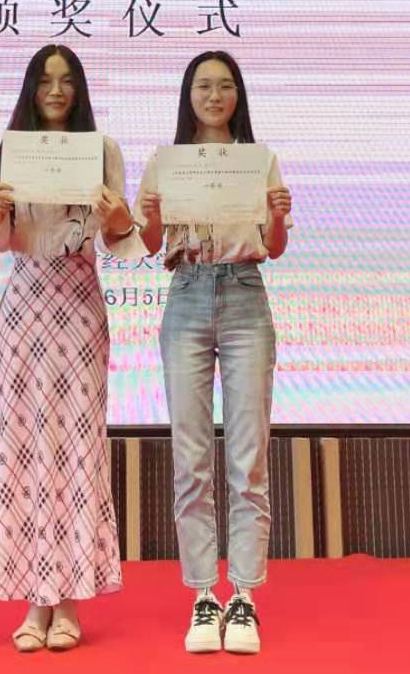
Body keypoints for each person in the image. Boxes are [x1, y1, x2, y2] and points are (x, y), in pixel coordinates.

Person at [0, 44, 145, 652]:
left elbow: (121, 241)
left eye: (66, 80)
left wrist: (119, 219)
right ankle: (32, 602)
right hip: (23, 307)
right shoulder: (12, 149)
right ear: (31, 88)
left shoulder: (103, 151)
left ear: (79, 89)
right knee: (22, 447)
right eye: (45, 80)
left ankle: (68, 601)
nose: (55, 90)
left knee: (77, 448)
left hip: (79, 307)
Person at [137, 51, 292, 656]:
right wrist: (152, 217)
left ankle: (244, 596)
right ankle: (204, 594)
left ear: (238, 96)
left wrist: (277, 217)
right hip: (187, 295)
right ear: (188, 95)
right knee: (191, 456)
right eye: (203, 86)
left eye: (225, 86)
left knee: (248, 458)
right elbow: (151, 243)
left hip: (246, 295)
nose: (214, 95)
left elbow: (273, 248)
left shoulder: (258, 160)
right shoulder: (167, 162)